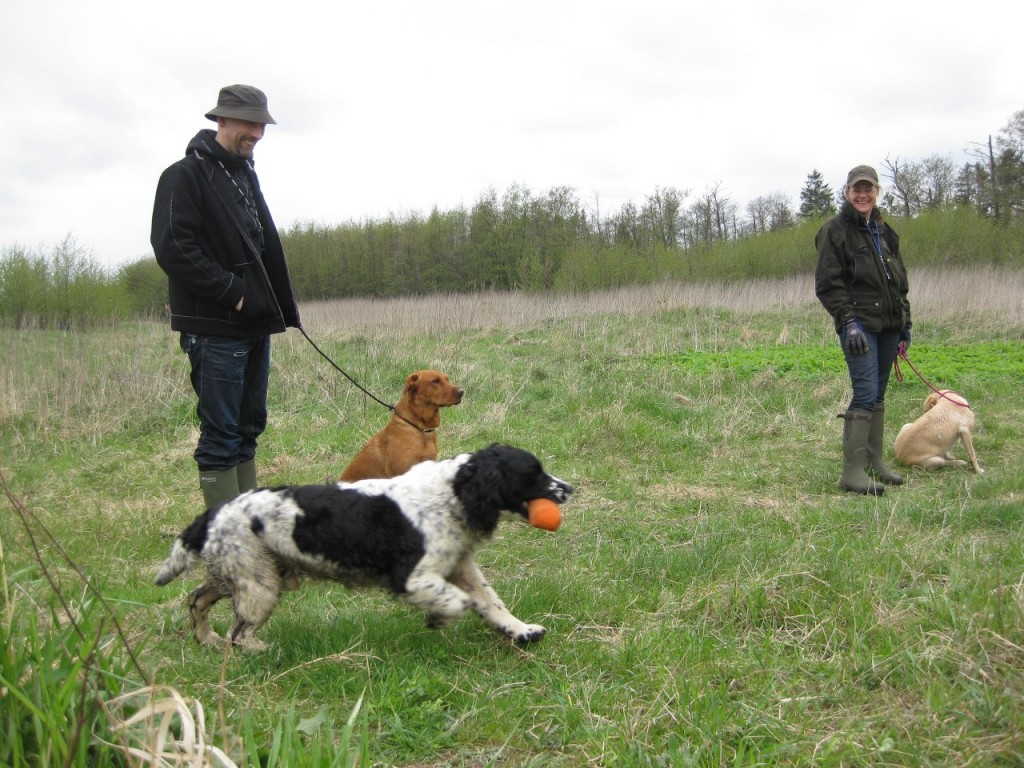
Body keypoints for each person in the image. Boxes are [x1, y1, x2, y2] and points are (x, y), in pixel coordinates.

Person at [151, 84, 301, 510]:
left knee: (249, 425)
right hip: (215, 329)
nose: (257, 133)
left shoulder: (242, 174)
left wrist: (275, 304)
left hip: (254, 325)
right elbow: (173, 247)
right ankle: (226, 537)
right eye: (250, 123)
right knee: (221, 433)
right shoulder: (184, 175)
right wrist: (234, 294)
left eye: (261, 124)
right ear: (221, 120)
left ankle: (247, 521)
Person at [815, 164, 912, 495]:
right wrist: (848, 321)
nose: (862, 194)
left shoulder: (885, 232)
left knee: (880, 394)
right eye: (856, 189)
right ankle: (852, 473)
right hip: (858, 326)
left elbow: (900, 284)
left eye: (868, 189)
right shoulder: (835, 231)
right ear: (847, 193)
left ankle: (874, 463)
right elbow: (828, 284)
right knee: (866, 392)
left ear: (877, 192)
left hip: (889, 325)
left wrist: (905, 324)